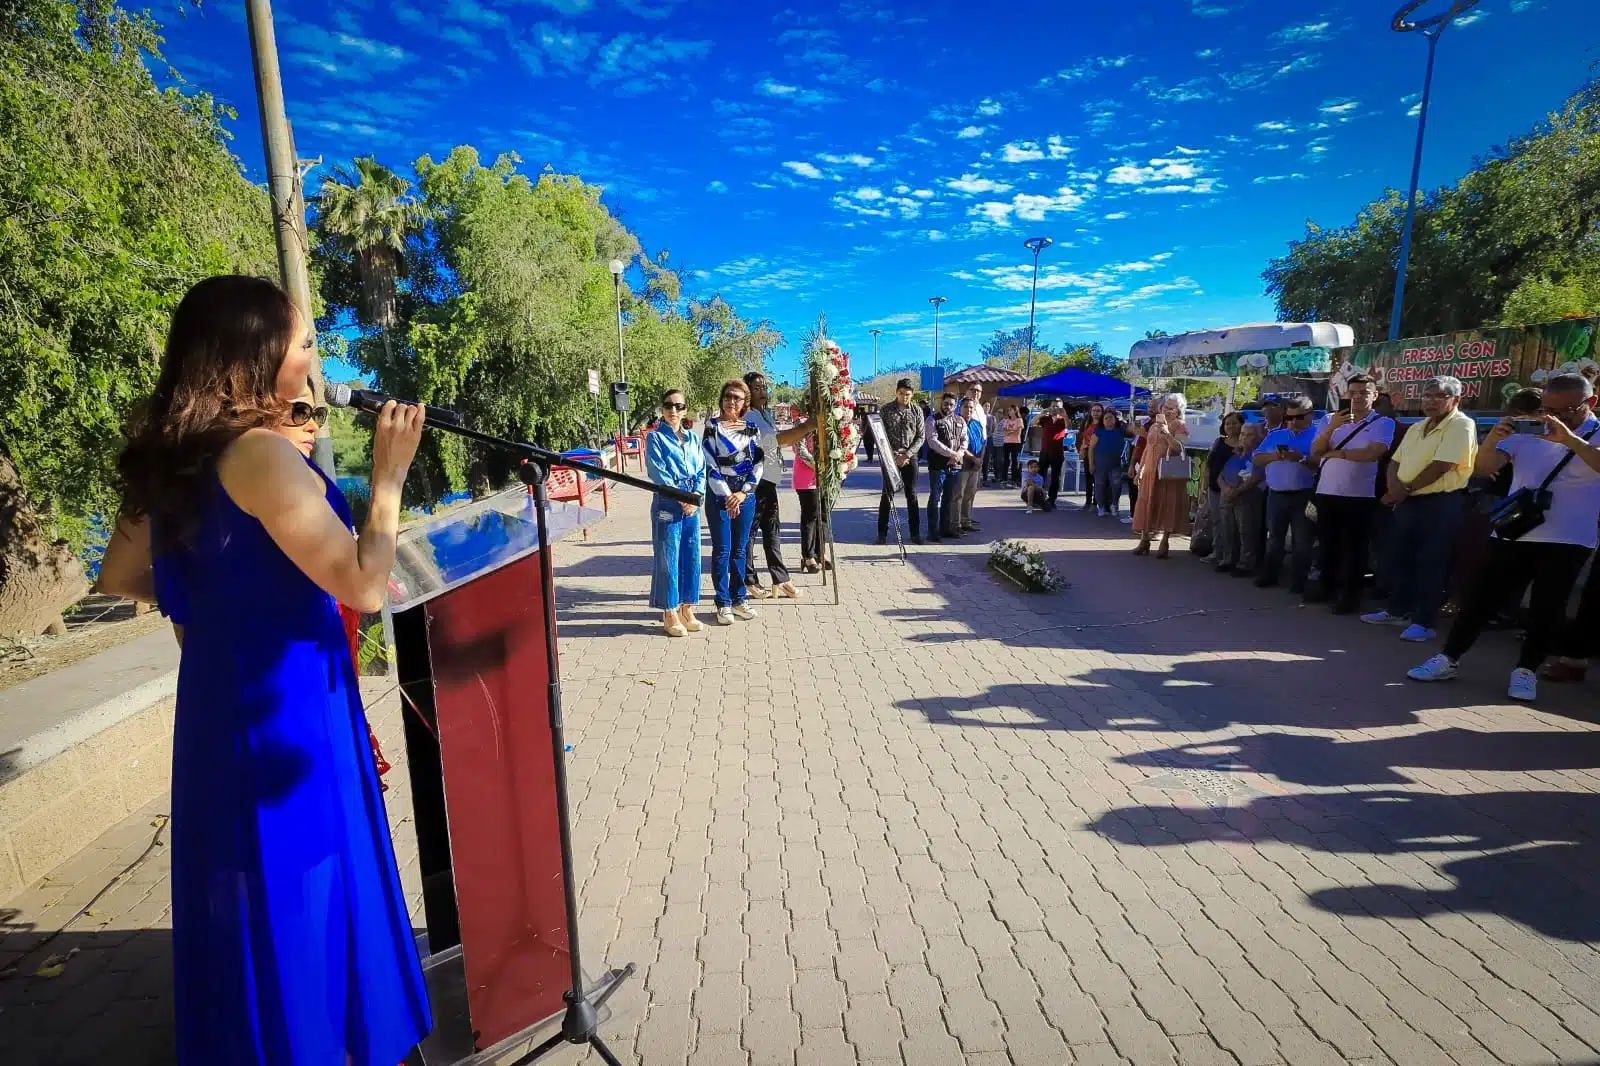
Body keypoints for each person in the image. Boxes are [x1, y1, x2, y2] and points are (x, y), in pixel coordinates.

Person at [94, 275, 431, 1066]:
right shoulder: (260, 458)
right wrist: (387, 478)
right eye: (306, 344)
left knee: (246, 894)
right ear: (257, 355)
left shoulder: (173, 458)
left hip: (220, 710)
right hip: (291, 713)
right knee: (303, 887)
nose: (316, 362)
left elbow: (119, 577)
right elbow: (363, 585)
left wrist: (218, 608)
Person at [1407, 374, 1600, 701]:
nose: (1554, 415)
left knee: (1547, 609)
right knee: (1481, 599)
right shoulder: (1530, 429)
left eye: (1566, 408)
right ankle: (1449, 657)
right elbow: (1484, 466)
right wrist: (1494, 439)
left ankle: (1526, 671)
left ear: (1590, 402)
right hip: (1515, 532)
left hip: (1569, 537)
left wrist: (1570, 439)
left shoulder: (1593, 433)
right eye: (1547, 407)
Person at [1361, 376, 1477, 642]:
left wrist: (1403, 490)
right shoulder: (1417, 427)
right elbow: (1394, 462)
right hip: (1407, 501)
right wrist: (1395, 490)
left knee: (1431, 561)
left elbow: (1442, 465)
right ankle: (1397, 610)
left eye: (1439, 396)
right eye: (1427, 396)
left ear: (1455, 400)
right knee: (1399, 556)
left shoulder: (1461, 425)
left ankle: (1424, 621)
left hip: (1440, 502)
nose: (1430, 401)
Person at [1308, 375, 1395, 613]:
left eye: (1364, 393)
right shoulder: (1330, 419)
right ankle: (1327, 588)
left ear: (1374, 395)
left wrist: (1337, 454)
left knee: (1354, 548)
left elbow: (1373, 453)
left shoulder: (1383, 423)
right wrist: (1332, 428)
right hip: (1327, 491)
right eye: (1353, 392)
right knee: (1328, 544)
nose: (1357, 397)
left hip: (1360, 495)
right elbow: (1316, 452)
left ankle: (1350, 597)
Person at [703, 379, 766, 624]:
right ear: (722, 398)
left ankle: (739, 598)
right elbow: (709, 462)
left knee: (741, 550)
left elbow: (758, 462)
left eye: (737, 398)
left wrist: (743, 492)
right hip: (720, 496)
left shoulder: (751, 428)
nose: (732, 401)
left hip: (745, 496)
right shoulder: (712, 427)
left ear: (744, 403)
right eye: (728, 396)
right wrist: (728, 494)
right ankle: (723, 602)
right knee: (722, 550)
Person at [645, 389, 707, 637]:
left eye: (679, 406)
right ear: (662, 408)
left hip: (692, 503)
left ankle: (687, 607)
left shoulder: (692, 438)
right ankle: (669, 611)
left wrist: (696, 496)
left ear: (685, 409)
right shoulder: (655, 438)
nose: (673, 411)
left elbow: (702, 469)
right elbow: (657, 471)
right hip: (668, 503)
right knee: (668, 557)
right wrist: (682, 497)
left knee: (692, 556)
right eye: (669, 406)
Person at [740, 371, 806, 601]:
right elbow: (777, 441)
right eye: (756, 388)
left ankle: (780, 577)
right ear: (747, 393)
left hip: (769, 480)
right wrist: (808, 428)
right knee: (750, 532)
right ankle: (748, 580)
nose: (762, 392)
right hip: (755, 481)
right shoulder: (748, 416)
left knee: (772, 531)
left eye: (764, 387)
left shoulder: (764, 413)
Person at [1250, 396, 1320, 592]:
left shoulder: (1318, 436)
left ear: (1310, 415)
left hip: (1304, 494)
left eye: (1298, 417)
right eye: (1289, 418)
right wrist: (1276, 456)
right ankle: (1270, 575)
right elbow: (1257, 458)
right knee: (1274, 538)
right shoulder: (1276, 435)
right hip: (1277, 494)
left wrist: (1301, 459)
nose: (1293, 422)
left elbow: (1322, 464)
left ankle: (1299, 581)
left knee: (1302, 540)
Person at [1132, 392, 1191, 558]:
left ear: (1179, 410)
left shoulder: (1180, 426)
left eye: (1172, 408)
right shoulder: (1154, 425)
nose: (1167, 411)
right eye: (1166, 407)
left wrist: (1166, 433)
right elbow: (1148, 447)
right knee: (1147, 503)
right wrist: (1140, 469)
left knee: (1167, 505)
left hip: (1168, 473)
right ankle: (1144, 540)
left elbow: (1179, 448)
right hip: (1151, 470)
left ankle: (1165, 541)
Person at [877, 379, 925, 545]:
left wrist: (907, 455)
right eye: (902, 394)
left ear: (912, 395)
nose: (905, 397)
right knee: (887, 495)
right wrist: (893, 456)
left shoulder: (917, 411)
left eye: (908, 394)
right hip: (890, 457)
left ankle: (915, 533)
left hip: (910, 458)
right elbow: (880, 435)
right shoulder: (886, 410)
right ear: (896, 393)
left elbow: (921, 437)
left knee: (911, 495)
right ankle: (881, 534)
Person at [1217, 422, 1267, 576]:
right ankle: (1228, 559)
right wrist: (1225, 488)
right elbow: (1220, 475)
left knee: (1247, 530)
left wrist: (1238, 491)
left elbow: (1257, 477)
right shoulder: (1234, 453)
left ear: (1258, 438)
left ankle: (1245, 563)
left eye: (1249, 434)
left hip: (1248, 496)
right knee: (1228, 529)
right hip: (1228, 495)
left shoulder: (1258, 455)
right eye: (1242, 434)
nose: (1244, 438)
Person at [925, 392, 968, 542]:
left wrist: (959, 454)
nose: (948, 407)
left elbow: (964, 440)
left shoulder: (960, 420)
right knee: (935, 498)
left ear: (955, 405)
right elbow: (932, 441)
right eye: (945, 404)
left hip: (955, 465)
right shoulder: (932, 419)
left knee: (949, 499)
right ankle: (933, 532)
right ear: (941, 404)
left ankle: (945, 529)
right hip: (938, 466)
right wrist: (951, 454)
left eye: (951, 404)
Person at [1203, 412, 1244, 554]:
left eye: (1234, 423)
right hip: (1214, 487)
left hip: (1233, 489)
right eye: (1227, 424)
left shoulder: (1244, 444)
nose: (1231, 426)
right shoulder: (1218, 442)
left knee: (1233, 525)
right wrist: (1204, 485)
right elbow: (1208, 465)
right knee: (1217, 521)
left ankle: (1231, 554)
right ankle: (1217, 552)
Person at [793, 405, 827, 571]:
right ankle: (808, 556)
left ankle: (821, 552)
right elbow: (801, 450)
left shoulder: (828, 421)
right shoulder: (800, 423)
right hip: (807, 477)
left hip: (825, 477)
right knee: (810, 516)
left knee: (824, 517)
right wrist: (817, 465)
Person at [1091, 410, 1131, 517]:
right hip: (1100, 463)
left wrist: (1123, 421)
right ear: (1102, 421)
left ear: (1115, 419)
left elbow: (1132, 431)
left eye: (1111, 417)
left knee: (1116, 485)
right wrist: (1091, 463)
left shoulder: (1120, 430)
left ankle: (1114, 505)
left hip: (1115, 463)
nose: (1108, 420)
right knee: (1099, 485)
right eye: (1106, 418)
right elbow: (1091, 448)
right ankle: (1101, 507)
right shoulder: (1098, 431)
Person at [957, 396, 986, 533]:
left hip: (976, 465)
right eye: (965, 407)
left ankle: (966, 521)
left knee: (970, 494)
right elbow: (958, 445)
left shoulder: (977, 424)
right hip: (963, 463)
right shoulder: (957, 423)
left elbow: (983, 443)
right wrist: (974, 459)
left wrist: (980, 460)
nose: (968, 409)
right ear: (960, 408)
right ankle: (956, 523)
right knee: (958, 495)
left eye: (971, 407)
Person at [1037, 401, 1069, 509]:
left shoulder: (1062, 420)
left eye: (1057, 406)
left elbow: (1068, 426)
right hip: (1045, 451)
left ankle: (1052, 499)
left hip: (1057, 452)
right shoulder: (1046, 419)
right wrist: (1042, 413)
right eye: (1053, 406)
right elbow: (1032, 422)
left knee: (1055, 477)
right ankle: (1040, 497)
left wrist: (1064, 415)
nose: (1055, 408)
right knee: (1041, 475)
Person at [1080, 403, 1105, 512]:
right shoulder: (1087, 423)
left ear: (1102, 412)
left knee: (1098, 480)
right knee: (1088, 479)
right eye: (1094, 411)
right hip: (1087, 454)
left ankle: (1096, 502)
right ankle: (1088, 501)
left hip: (1099, 454)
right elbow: (1084, 438)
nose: (1095, 413)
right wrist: (1081, 449)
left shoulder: (1104, 424)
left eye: (1098, 411)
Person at [1000, 406, 1025, 486]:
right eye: (1009, 410)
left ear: (1015, 411)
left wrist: (1009, 431)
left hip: (1016, 443)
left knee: (1014, 461)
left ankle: (1014, 479)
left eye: (1011, 410)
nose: (1009, 412)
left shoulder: (1019, 420)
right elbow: (1004, 432)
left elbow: (1018, 433)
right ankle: (1004, 478)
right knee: (1005, 461)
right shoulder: (1006, 420)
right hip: (1007, 442)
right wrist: (1013, 431)